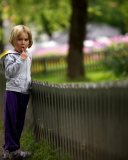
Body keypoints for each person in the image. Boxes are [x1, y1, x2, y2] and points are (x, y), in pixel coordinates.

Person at [0, 25, 33, 159]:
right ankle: (12, 149)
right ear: (13, 41)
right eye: (19, 39)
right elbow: (9, 73)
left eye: (26, 39)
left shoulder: (28, 55)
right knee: (11, 120)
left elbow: (26, 73)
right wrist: (20, 59)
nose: (23, 42)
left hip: (24, 92)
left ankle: (14, 148)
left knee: (19, 121)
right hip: (13, 91)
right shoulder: (10, 56)